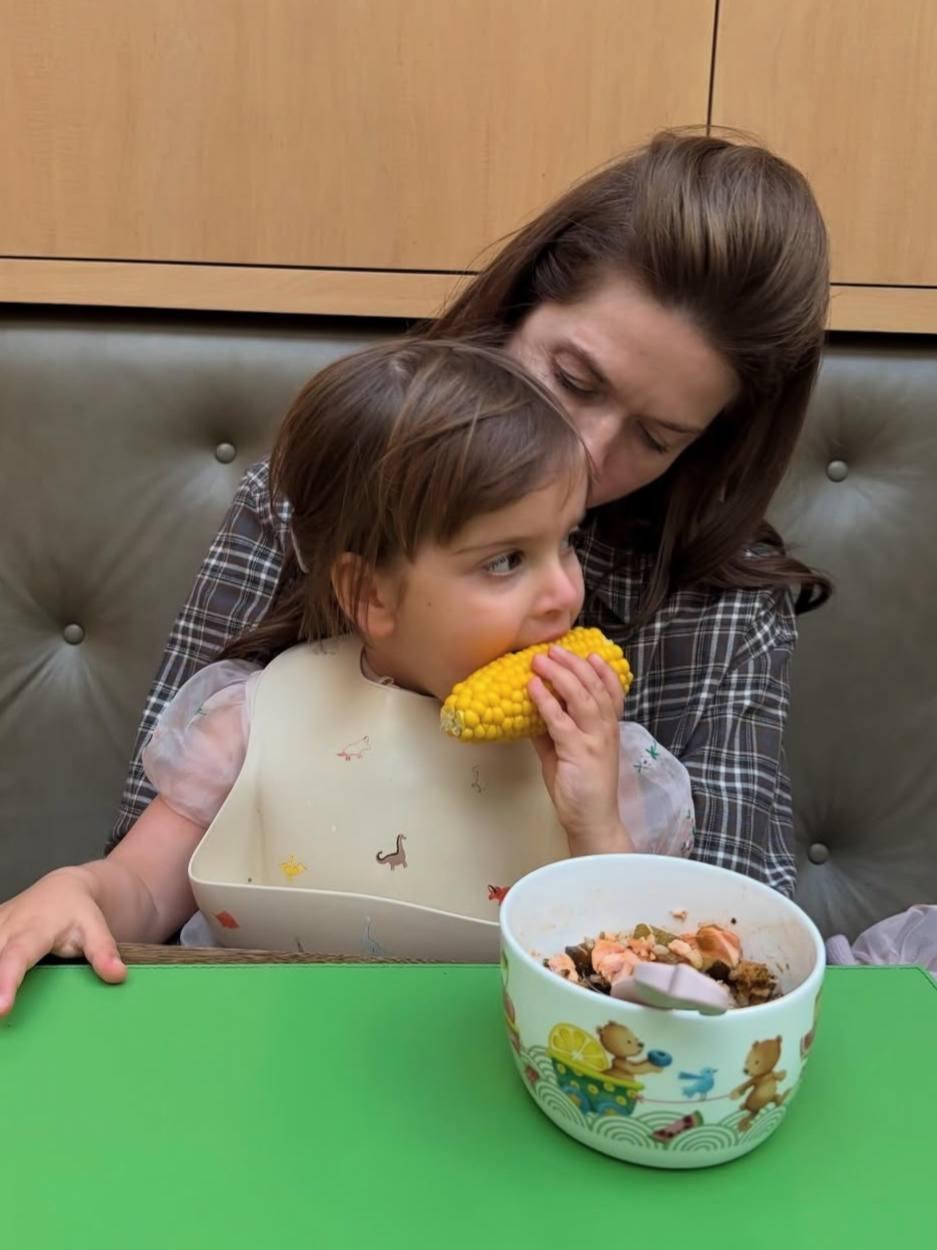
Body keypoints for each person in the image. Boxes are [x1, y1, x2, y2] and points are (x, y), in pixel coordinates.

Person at [110, 130, 832, 897]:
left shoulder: (724, 614)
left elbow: (719, 931)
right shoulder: (313, 508)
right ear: (513, 313)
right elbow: (148, 869)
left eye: (654, 438)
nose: (587, 454)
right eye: (573, 379)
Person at [0, 340, 693, 1012]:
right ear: (370, 596)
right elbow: (143, 892)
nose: (564, 594)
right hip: (254, 1040)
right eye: (505, 561)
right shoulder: (254, 721)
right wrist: (80, 891)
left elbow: (637, 977)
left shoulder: (598, 766)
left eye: (566, 542)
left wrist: (593, 823)